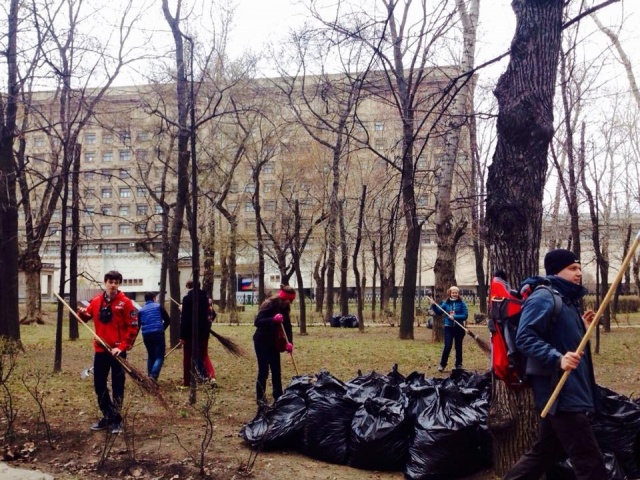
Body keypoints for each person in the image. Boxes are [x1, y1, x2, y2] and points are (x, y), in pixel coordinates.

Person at [503, 249, 607, 480]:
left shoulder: (566, 301)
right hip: (558, 392)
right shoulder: (544, 297)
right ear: (556, 271)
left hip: (570, 389)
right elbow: (525, 337)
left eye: (579, 268)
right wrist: (557, 358)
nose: (578, 273)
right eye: (572, 268)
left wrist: (580, 326)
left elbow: (559, 339)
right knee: (591, 462)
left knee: (546, 452)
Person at [77, 270, 139, 434]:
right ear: (105, 283)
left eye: (116, 282)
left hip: (117, 352)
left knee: (118, 386)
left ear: (119, 284)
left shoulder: (125, 303)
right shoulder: (96, 301)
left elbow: (133, 326)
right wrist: (81, 313)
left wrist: (123, 346)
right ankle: (108, 415)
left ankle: (117, 419)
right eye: (110, 282)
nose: (113, 285)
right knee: (99, 384)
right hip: (100, 350)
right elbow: (85, 317)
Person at [253, 285, 295, 404]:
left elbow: (287, 326)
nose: (290, 303)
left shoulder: (285, 308)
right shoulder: (269, 304)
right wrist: (273, 320)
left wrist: (289, 343)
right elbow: (257, 322)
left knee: (276, 370)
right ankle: (260, 398)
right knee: (263, 371)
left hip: (274, 343)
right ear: (283, 298)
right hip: (261, 342)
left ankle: (278, 395)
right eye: (289, 300)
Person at [180, 280, 216, 387]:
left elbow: (185, 319)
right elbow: (211, 314)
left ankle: (187, 381)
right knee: (203, 354)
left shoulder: (187, 299)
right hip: (204, 332)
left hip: (190, 333)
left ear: (188, 287)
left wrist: (182, 336)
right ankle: (210, 376)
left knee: (187, 356)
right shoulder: (206, 299)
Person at [432, 286, 468, 372]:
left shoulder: (462, 303)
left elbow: (465, 315)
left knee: (458, 346)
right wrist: (433, 305)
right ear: (450, 293)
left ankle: (458, 364)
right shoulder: (445, 303)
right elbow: (439, 312)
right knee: (447, 346)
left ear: (458, 294)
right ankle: (442, 364)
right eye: (453, 292)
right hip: (448, 328)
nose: (455, 294)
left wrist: (455, 317)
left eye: (456, 293)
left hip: (459, 328)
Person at [138, 291, 170, 382]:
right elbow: (167, 320)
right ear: (154, 298)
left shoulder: (141, 310)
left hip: (146, 334)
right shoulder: (158, 306)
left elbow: (138, 326)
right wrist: (162, 329)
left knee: (151, 355)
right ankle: (153, 375)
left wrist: (132, 342)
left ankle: (149, 377)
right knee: (160, 356)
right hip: (158, 333)